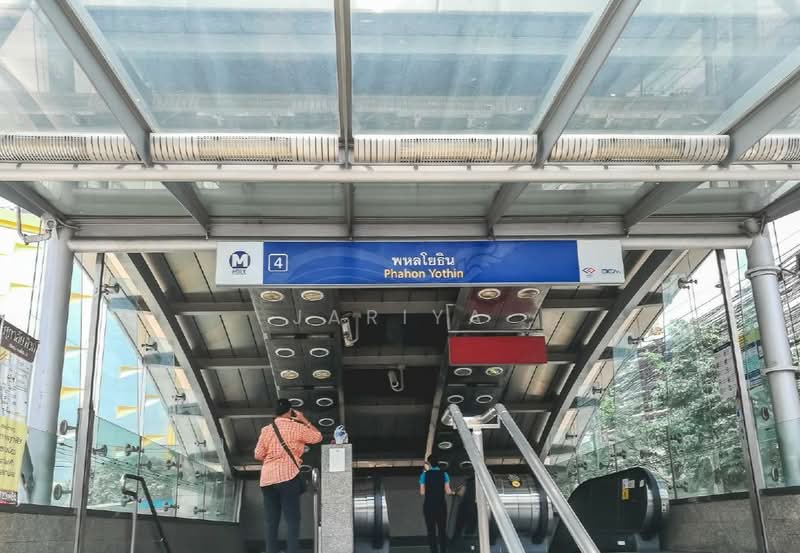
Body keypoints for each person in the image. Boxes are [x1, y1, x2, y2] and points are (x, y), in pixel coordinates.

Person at [255, 399, 322, 553]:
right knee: (292, 520)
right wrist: (303, 419)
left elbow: (258, 454)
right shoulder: (296, 427)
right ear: (290, 411)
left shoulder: (266, 430)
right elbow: (317, 437)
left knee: (271, 521)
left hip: (267, 480)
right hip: (288, 477)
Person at [419, 454, 455, 553]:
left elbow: (422, 492)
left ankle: (434, 551)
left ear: (429, 463)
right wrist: (454, 493)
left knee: (431, 531)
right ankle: (443, 550)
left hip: (429, 506)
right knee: (442, 530)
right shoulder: (444, 474)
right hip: (441, 505)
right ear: (438, 463)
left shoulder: (424, 475)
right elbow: (448, 491)